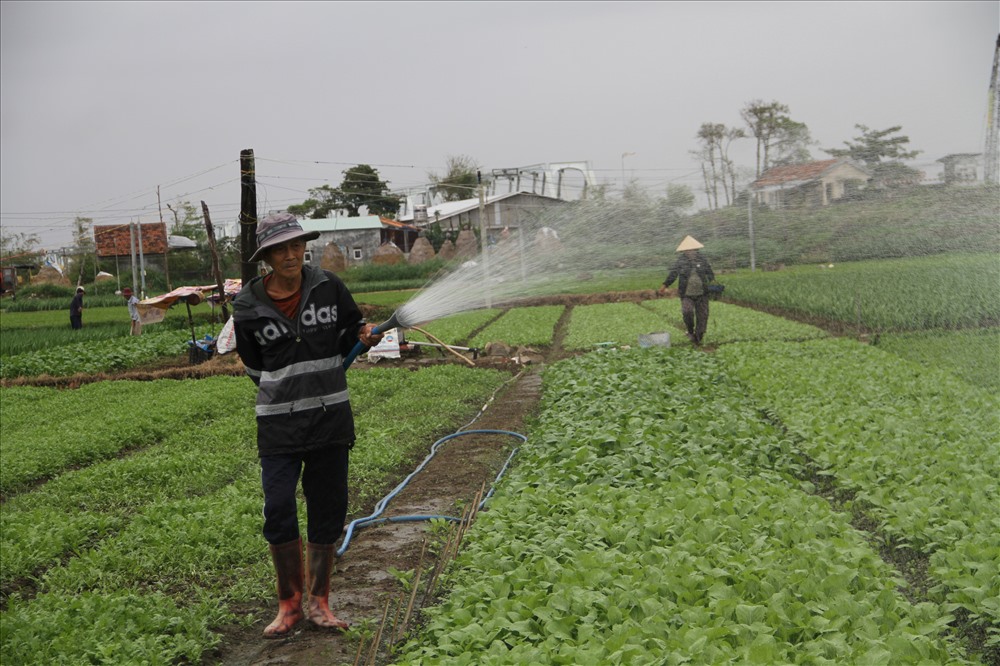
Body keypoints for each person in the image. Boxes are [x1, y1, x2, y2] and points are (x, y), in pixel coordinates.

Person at [231, 212, 383, 639]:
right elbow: (254, 364)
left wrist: (364, 334)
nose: (291, 254)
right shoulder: (247, 306)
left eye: (296, 245)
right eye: (281, 249)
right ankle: (289, 605)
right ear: (267, 257)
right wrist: (289, 392)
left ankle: (319, 604)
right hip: (279, 427)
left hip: (329, 420)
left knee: (327, 510)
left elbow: (351, 329)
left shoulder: (328, 286)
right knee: (278, 508)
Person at [658, 235, 715, 346]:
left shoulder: (702, 259)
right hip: (687, 294)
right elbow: (673, 274)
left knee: (703, 316)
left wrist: (712, 281)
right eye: (688, 250)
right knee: (687, 312)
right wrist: (665, 285)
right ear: (684, 251)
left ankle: (698, 337)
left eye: (692, 249)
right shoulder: (681, 261)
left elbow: (709, 272)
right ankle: (690, 330)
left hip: (702, 294)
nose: (690, 252)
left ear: (696, 249)